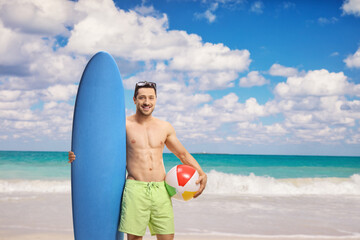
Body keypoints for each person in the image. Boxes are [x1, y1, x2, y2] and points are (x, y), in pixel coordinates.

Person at [68, 81, 207, 240]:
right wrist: (77, 155)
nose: (146, 102)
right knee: (134, 239)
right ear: (134, 99)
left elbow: (182, 154)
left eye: (150, 98)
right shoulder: (123, 125)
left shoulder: (165, 127)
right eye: (142, 98)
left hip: (161, 189)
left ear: (156, 100)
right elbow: (100, 147)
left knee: (167, 238)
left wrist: (201, 173)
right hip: (135, 188)